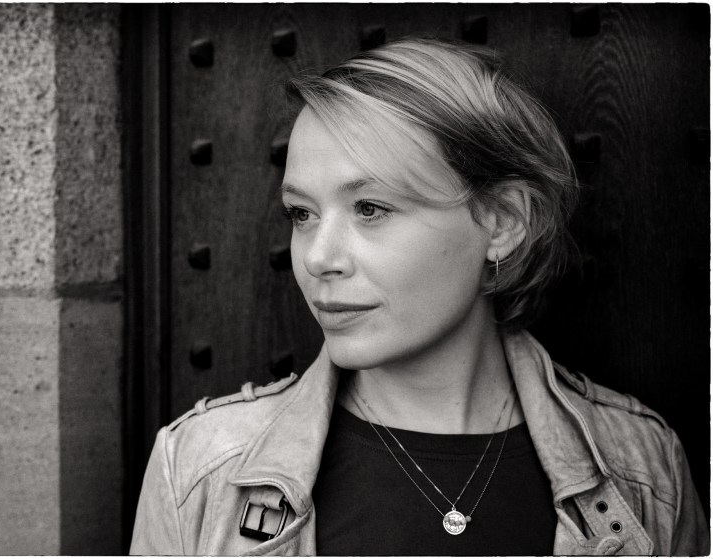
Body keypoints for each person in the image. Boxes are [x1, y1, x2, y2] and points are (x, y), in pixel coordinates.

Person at [130, 37, 709, 556]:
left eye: (370, 208)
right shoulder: (201, 470)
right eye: (301, 213)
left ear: (503, 221)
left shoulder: (644, 470)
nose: (316, 258)